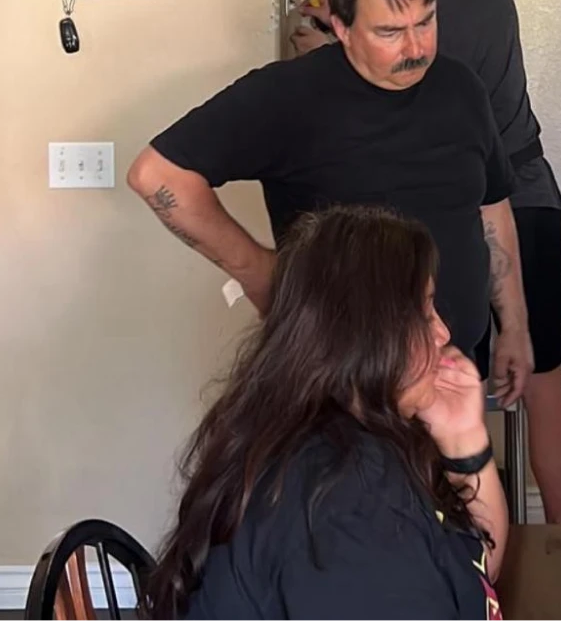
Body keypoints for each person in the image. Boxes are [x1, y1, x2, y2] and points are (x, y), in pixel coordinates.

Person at [127, 0, 533, 406]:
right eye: (389, 32)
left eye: (425, 22)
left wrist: (515, 326)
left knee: (460, 459)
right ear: (341, 26)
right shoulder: (289, 96)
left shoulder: (460, 88)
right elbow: (156, 175)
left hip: (451, 370)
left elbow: (490, 209)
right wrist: (261, 275)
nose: (416, 48)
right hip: (342, 386)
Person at [292, 0, 561, 525]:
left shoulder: (408, 14)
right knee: (543, 384)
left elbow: (389, 85)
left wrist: (322, 49)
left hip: (447, 203)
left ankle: (438, 537)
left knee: (427, 385)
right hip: (529, 190)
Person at [143, 206, 507, 621]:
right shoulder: (346, 498)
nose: (443, 332)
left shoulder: (332, 439)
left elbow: (477, 576)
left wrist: (464, 440)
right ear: (370, 333)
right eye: (425, 313)